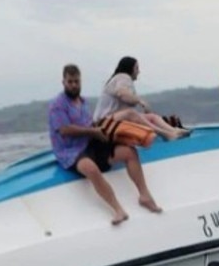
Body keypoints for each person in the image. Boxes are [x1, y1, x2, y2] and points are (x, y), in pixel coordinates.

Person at [49, 63, 162, 225]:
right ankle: (118, 210)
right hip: (71, 151)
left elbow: (90, 124)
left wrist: (104, 132)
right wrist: (93, 132)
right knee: (90, 168)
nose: (74, 85)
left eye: (76, 81)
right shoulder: (57, 105)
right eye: (70, 82)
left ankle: (145, 195)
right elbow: (65, 130)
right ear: (63, 82)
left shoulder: (83, 101)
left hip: (90, 143)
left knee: (129, 152)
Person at [93, 56, 190, 141]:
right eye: (136, 68)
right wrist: (140, 101)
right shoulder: (123, 77)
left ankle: (173, 131)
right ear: (130, 69)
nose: (138, 71)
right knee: (131, 113)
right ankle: (166, 134)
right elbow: (121, 93)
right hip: (103, 123)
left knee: (152, 117)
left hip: (112, 119)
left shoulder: (120, 79)